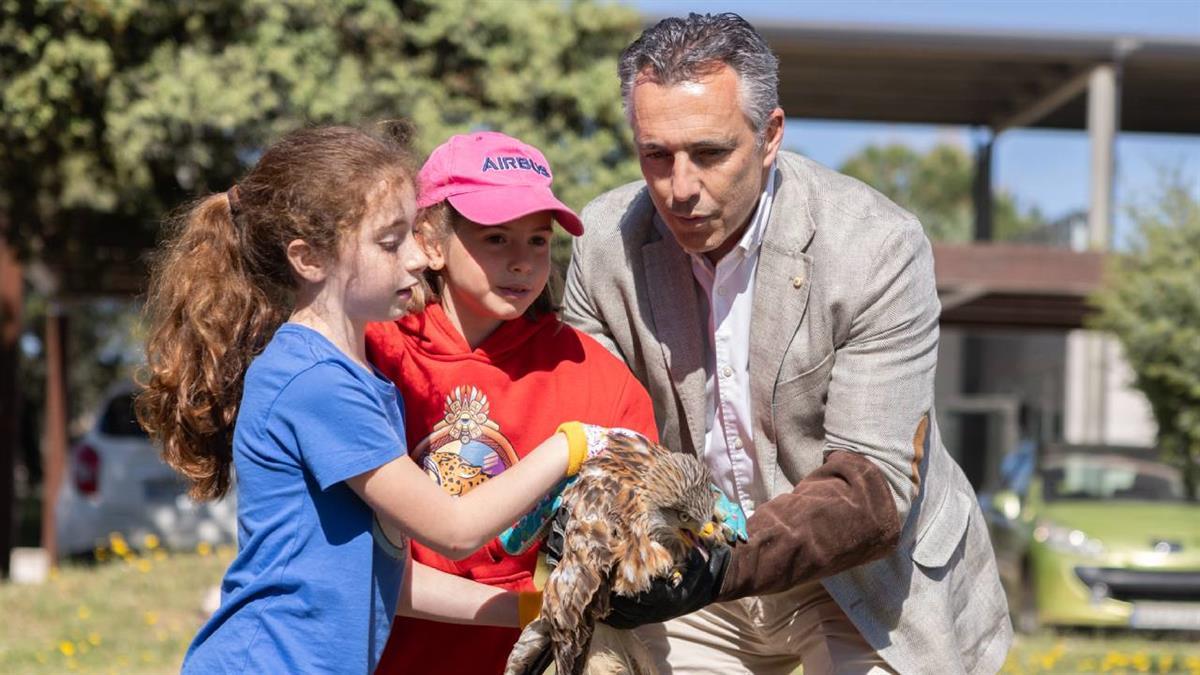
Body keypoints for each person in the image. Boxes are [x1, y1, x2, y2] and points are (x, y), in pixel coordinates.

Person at [561, 13, 1012, 675]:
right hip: (691, 571)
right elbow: (594, 438)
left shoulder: (875, 245)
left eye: (710, 153)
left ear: (770, 136)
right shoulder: (604, 241)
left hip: (861, 570)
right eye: (656, 154)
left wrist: (713, 562)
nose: (679, 187)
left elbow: (870, 487)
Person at [135, 124, 606, 673]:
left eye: (411, 234)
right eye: (390, 241)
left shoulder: (358, 378)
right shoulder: (314, 383)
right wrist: (572, 445)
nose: (415, 257)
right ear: (309, 259)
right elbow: (454, 530)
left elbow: (385, 578)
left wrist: (535, 608)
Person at [364, 131, 661, 674]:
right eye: (496, 239)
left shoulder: (596, 376)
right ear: (430, 241)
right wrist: (536, 607)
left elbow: (637, 545)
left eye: (538, 240)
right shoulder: (373, 353)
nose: (522, 262)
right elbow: (356, 567)